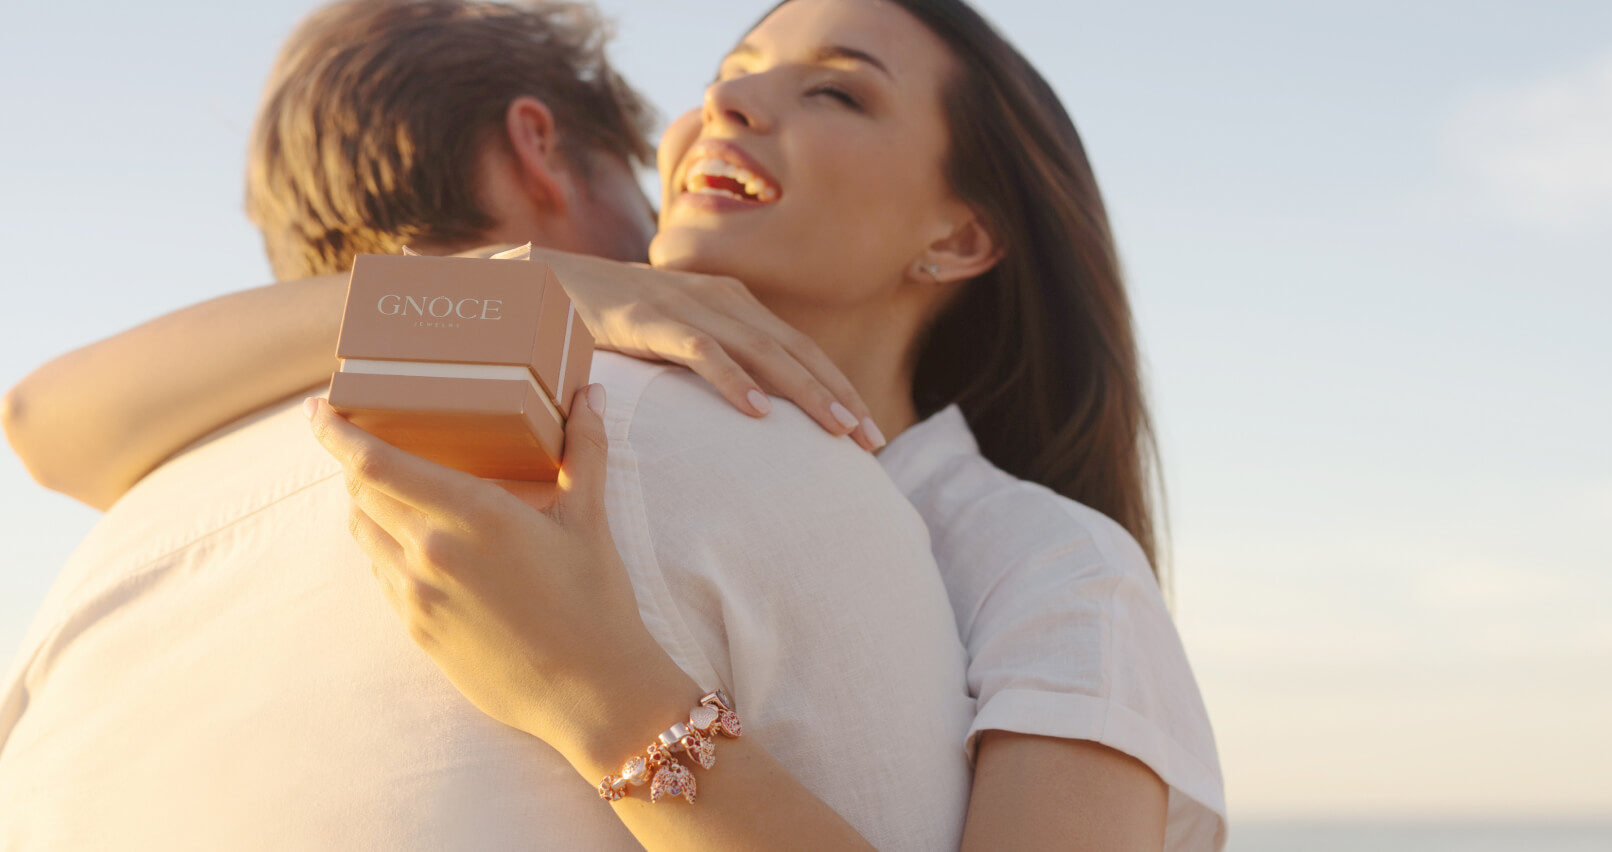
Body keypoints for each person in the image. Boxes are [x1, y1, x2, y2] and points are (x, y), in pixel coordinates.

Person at [4, 0, 1228, 847]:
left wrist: (607, 697)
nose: (727, 100)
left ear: (957, 237)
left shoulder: (1052, 567)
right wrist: (532, 281)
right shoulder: (562, 377)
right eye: (727, 72)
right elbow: (48, 421)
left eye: (834, 91)